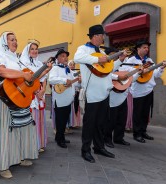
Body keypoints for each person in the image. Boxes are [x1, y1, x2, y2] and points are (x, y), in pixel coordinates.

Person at [0, 31, 51, 179]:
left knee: (19, 128)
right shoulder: (0, 55)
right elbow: (1, 71)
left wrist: (45, 71)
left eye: (16, 40)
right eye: (11, 40)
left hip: (16, 98)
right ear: (5, 42)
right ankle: (1, 164)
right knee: (3, 130)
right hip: (1, 97)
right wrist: (23, 75)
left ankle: (18, 157)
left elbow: (29, 80)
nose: (15, 42)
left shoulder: (17, 59)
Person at [74, 24, 127, 162]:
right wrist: (97, 59)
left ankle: (99, 147)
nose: (104, 37)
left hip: (104, 93)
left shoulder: (102, 52)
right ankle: (85, 150)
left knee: (100, 123)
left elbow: (108, 69)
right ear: (96, 36)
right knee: (89, 124)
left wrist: (119, 60)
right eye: (102, 35)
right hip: (92, 94)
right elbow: (77, 58)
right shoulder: (83, 49)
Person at [125, 40, 166, 143]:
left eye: (147, 48)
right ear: (138, 48)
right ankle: (137, 133)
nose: (146, 49)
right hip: (138, 91)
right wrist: (139, 72)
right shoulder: (131, 60)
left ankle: (143, 131)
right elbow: (127, 74)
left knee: (145, 113)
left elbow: (155, 74)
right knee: (138, 114)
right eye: (144, 47)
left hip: (149, 90)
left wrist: (161, 68)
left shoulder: (149, 60)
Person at [19, 39, 51, 153]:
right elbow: (30, 79)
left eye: (36, 49)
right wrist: (36, 91)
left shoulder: (39, 63)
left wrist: (42, 91)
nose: (34, 51)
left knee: (39, 118)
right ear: (27, 50)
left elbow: (43, 78)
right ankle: (30, 146)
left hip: (40, 93)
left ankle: (39, 143)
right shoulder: (22, 63)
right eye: (32, 49)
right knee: (31, 119)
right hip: (29, 94)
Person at [49, 49, 78, 148]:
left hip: (68, 99)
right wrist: (65, 80)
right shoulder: (55, 68)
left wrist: (79, 80)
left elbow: (73, 82)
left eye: (66, 56)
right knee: (60, 120)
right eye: (62, 56)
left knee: (65, 119)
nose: (65, 58)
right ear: (57, 58)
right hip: (60, 99)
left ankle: (62, 137)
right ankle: (59, 139)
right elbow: (51, 80)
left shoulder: (68, 69)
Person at [104, 55, 131, 148]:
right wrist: (118, 77)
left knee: (122, 119)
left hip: (123, 96)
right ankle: (107, 139)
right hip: (112, 97)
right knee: (111, 120)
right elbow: (107, 74)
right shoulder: (108, 66)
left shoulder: (124, 67)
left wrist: (139, 73)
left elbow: (130, 79)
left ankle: (119, 138)